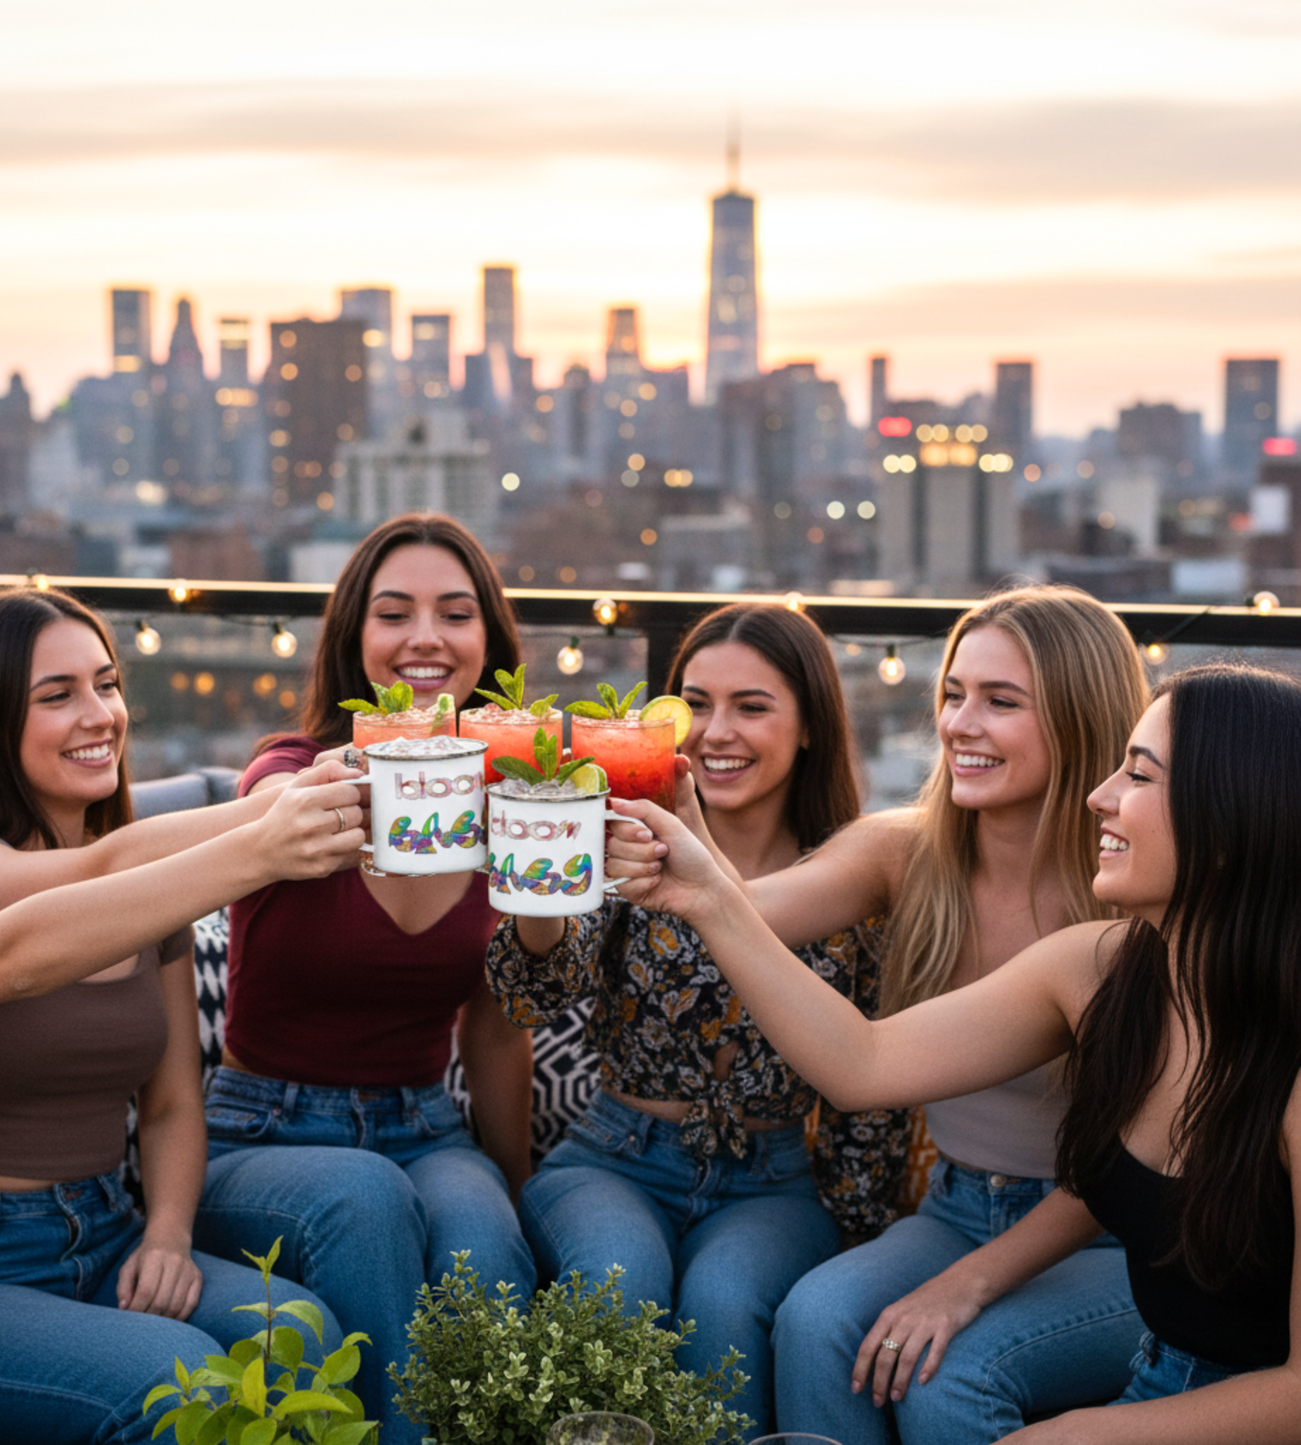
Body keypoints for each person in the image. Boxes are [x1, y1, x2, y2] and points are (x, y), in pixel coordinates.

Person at [615, 660, 1301, 1441]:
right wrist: (705, 897)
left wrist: (1074, 1435)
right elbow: (862, 1062)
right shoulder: (1098, 969)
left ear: (1229, 821)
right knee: (823, 1322)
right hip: (1159, 1368)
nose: (1099, 795)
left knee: (952, 1384)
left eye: (1138, 775)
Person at [0, 587, 368, 1445]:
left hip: (106, 1228)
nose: (99, 714)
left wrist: (167, 1232)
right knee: (182, 1387)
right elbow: (49, 920)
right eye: (56, 695)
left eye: (107, 683)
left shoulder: (147, 898)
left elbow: (169, 1104)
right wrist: (265, 828)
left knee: (302, 1335)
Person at [487, 603, 911, 1435]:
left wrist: (863, 1236)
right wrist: (541, 878)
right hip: (614, 1158)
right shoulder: (630, 841)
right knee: (618, 1279)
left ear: (810, 727)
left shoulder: (852, 876)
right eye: (695, 704)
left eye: (751, 706)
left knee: (725, 1301)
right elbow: (529, 998)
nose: (717, 732)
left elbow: (874, 1088)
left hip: (770, 1178)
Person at [194, 512, 537, 1445]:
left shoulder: (512, 802)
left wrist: (512, 1186)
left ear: (488, 644)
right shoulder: (294, 772)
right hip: (262, 1128)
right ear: (355, 639)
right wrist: (361, 769)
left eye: (454, 613)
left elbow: (496, 1029)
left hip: (423, 1124)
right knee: (365, 1202)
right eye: (394, 613)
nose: (425, 636)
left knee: (485, 1239)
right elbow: (271, 804)